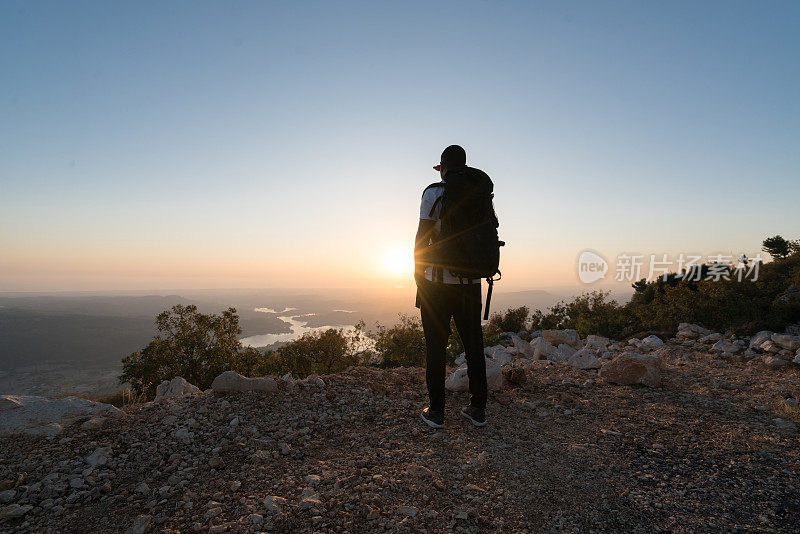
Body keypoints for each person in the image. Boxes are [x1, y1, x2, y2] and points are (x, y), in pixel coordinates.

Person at [414, 145, 488, 428]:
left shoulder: (434, 192)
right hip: (471, 282)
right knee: (473, 345)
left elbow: (422, 238)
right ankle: (477, 409)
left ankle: (436, 412)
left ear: (442, 167)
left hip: (437, 283)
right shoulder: (477, 192)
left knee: (435, 346)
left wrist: (418, 275)